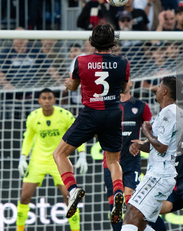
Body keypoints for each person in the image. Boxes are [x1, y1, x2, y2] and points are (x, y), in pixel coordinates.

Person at [53, 24, 130, 223]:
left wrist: (68, 85)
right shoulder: (123, 62)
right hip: (113, 112)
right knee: (113, 161)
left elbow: (73, 86)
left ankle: (72, 189)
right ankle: (118, 191)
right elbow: (123, 89)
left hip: (90, 114)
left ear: (92, 41)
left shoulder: (81, 61)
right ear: (113, 42)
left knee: (59, 153)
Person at [16, 88, 88, 231]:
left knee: (70, 198)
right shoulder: (33, 117)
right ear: (39, 100)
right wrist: (23, 157)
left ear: (54, 100)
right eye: (44, 98)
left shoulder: (65, 115)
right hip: (38, 161)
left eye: (50, 98)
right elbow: (28, 138)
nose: (47, 101)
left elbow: (79, 133)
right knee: (24, 196)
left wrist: (82, 154)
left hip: (59, 161)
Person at [122, 76, 183, 231]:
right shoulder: (172, 112)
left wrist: (146, 131)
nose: (156, 90)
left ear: (164, 91)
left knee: (131, 216)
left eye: (158, 87)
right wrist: (140, 145)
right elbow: (157, 145)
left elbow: (162, 147)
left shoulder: (169, 113)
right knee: (141, 223)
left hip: (159, 175)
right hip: (161, 174)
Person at [103, 78, 153, 231]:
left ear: (131, 83)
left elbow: (152, 132)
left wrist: (141, 143)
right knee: (115, 206)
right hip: (110, 161)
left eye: (126, 81)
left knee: (131, 203)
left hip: (132, 161)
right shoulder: (108, 106)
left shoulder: (141, 106)